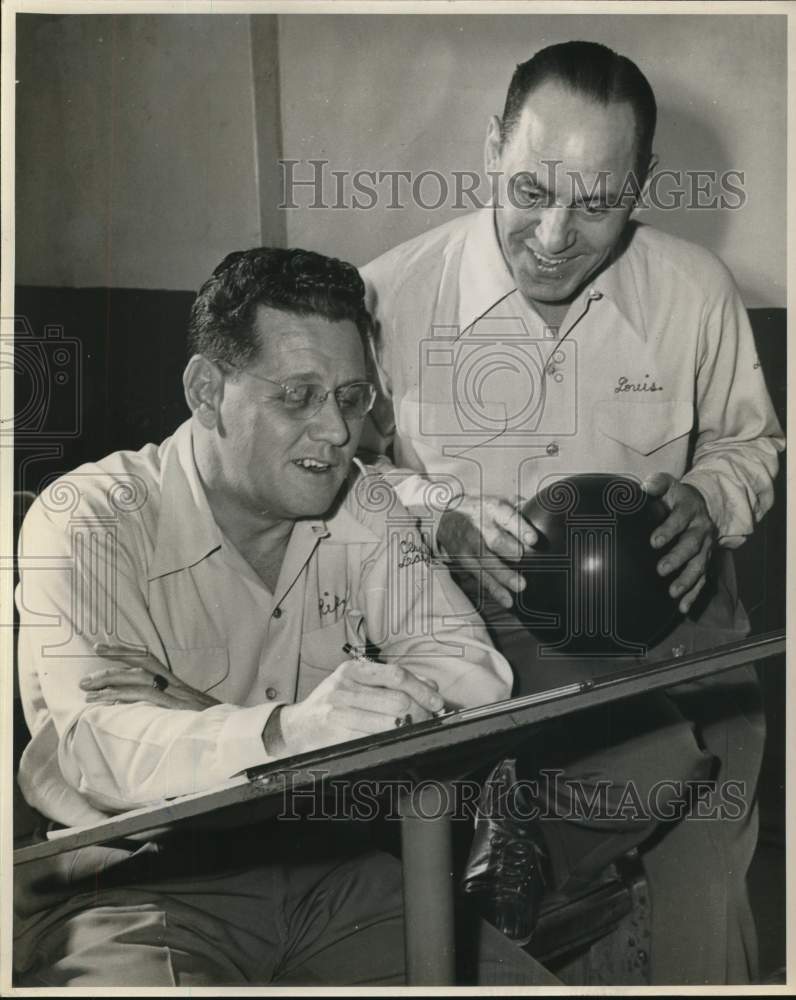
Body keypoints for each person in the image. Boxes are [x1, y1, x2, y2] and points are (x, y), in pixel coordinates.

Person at [13, 247, 560, 987]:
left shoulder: (362, 503)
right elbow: (92, 749)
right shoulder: (92, 518)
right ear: (207, 392)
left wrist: (215, 721)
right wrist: (291, 731)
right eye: (298, 396)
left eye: (351, 397)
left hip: (327, 870)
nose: (336, 433)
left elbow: (474, 677)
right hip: (131, 889)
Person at [360, 41, 784, 983]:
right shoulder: (386, 295)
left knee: (702, 917)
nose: (554, 235)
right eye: (530, 191)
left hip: (671, 636)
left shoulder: (696, 292)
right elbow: (344, 479)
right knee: (441, 932)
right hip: (469, 642)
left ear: (643, 185)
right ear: (489, 153)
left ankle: (544, 854)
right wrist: (438, 513)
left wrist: (709, 499)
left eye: (596, 204)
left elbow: (749, 444)